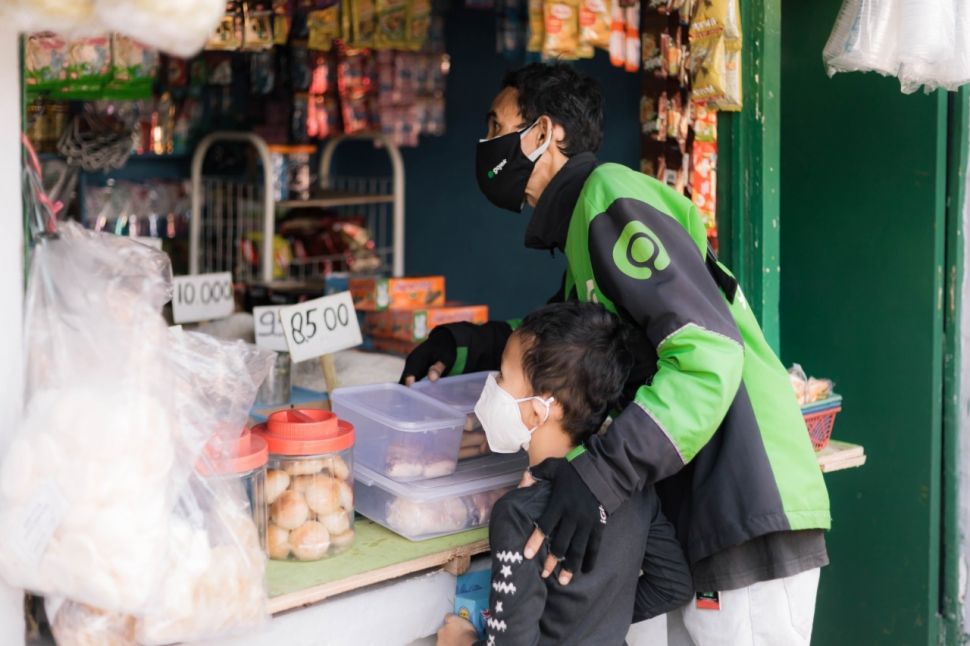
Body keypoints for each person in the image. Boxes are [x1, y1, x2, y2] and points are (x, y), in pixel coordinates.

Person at [404, 62, 831, 645]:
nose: (485, 145)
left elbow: (708, 354)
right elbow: (554, 346)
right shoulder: (585, 227)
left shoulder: (609, 198)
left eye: (495, 126)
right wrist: (460, 344)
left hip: (740, 501)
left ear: (544, 133)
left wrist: (600, 473)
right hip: (696, 513)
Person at [436, 302, 692, 646]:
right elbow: (673, 585)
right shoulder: (633, 491)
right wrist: (595, 626)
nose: (493, 385)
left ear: (540, 408)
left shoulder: (519, 512)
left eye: (502, 376)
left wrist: (460, 642)